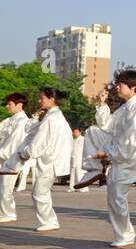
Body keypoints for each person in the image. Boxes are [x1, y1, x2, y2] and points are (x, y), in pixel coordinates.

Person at [89, 71, 136, 247]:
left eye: (121, 84)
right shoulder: (125, 108)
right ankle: (123, 233)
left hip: (130, 160)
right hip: (120, 160)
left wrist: (109, 153)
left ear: (132, 87)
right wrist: (102, 104)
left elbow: (132, 141)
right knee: (114, 198)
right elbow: (108, 125)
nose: (117, 87)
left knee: (117, 197)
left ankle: (125, 235)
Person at [1, 87, 73, 231]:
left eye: (42, 98)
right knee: (40, 191)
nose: (39, 100)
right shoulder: (51, 116)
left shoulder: (52, 118)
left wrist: (26, 153)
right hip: (49, 159)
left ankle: (50, 221)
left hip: (51, 160)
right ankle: (49, 220)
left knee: (39, 192)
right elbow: (33, 131)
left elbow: (40, 141)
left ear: (51, 99)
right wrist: (34, 117)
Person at [0, 94, 32, 222]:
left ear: (19, 105)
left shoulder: (22, 121)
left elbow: (14, 143)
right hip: (5, 157)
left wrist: (1, 153)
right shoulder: (10, 120)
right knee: (2, 187)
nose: (7, 106)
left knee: (6, 187)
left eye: (10, 104)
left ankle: (8, 213)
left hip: (12, 158)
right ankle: (5, 212)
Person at [68, 127, 86, 193]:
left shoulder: (82, 139)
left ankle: (83, 188)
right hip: (73, 158)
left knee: (79, 173)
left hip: (79, 158)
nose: (74, 133)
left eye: (76, 132)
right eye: (74, 132)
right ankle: (72, 187)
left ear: (80, 132)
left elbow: (79, 150)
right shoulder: (73, 140)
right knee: (73, 174)